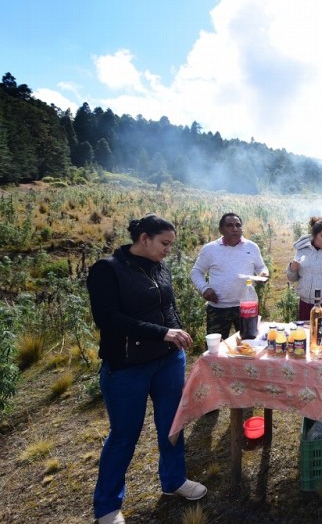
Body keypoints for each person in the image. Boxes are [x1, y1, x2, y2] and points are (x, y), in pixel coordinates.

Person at [87, 214, 207, 524]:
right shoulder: (107, 270)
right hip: (127, 367)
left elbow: (167, 306)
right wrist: (162, 332)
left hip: (168, 361)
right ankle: (107, 507)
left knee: (172, 424)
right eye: (164, 243)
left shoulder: (159, 266)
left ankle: (174, 480)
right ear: (144, 239)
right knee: (124, 435)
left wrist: (177, 332)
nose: (169, 249)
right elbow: (108, 319)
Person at [191, 212, 269, 339]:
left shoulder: (252, 247)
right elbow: (196, 272)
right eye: (229, 225)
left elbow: (261, 266)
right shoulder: (210, 249)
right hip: (219, 307)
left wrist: (263, 273)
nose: (235, 229)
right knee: (216, 347)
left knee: (249, 342)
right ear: (221, 229)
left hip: (246, 306)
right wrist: (205, 289)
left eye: (238, 225)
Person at [286, 216, 322, 321]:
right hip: (306, 304)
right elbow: (292, 278)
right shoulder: (302, 250)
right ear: (314, 236)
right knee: (308, 333)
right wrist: (292, 269)